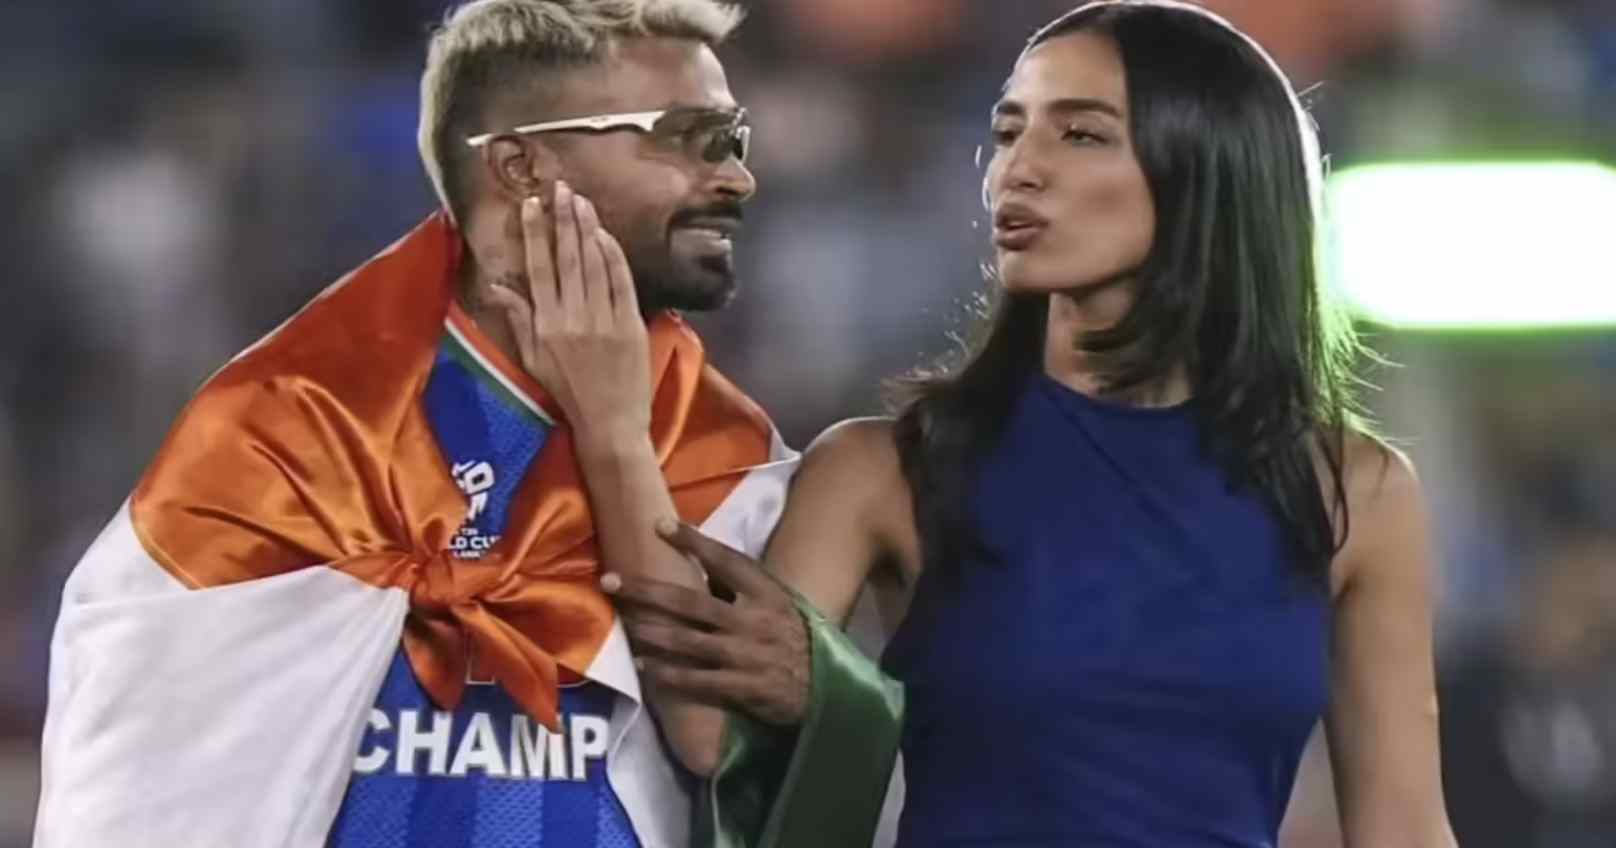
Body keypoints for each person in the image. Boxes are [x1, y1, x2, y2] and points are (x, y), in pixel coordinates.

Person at [33, 1, 897, 846]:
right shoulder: (286, 433)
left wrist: (614, 436)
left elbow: (749, 763)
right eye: (684, 136)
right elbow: (136, 790)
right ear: (521, 167)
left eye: (732, 138)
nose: (737, 176)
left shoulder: (727, 458)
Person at [595, 2, 1462, 845]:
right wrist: (611, 428)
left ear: (1208, 168)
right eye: (1009, 131)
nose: (1017, 169)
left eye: (1079, 134)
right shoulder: (886, 468)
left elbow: (1404, 827)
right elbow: (715, 739)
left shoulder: (1354, 490)